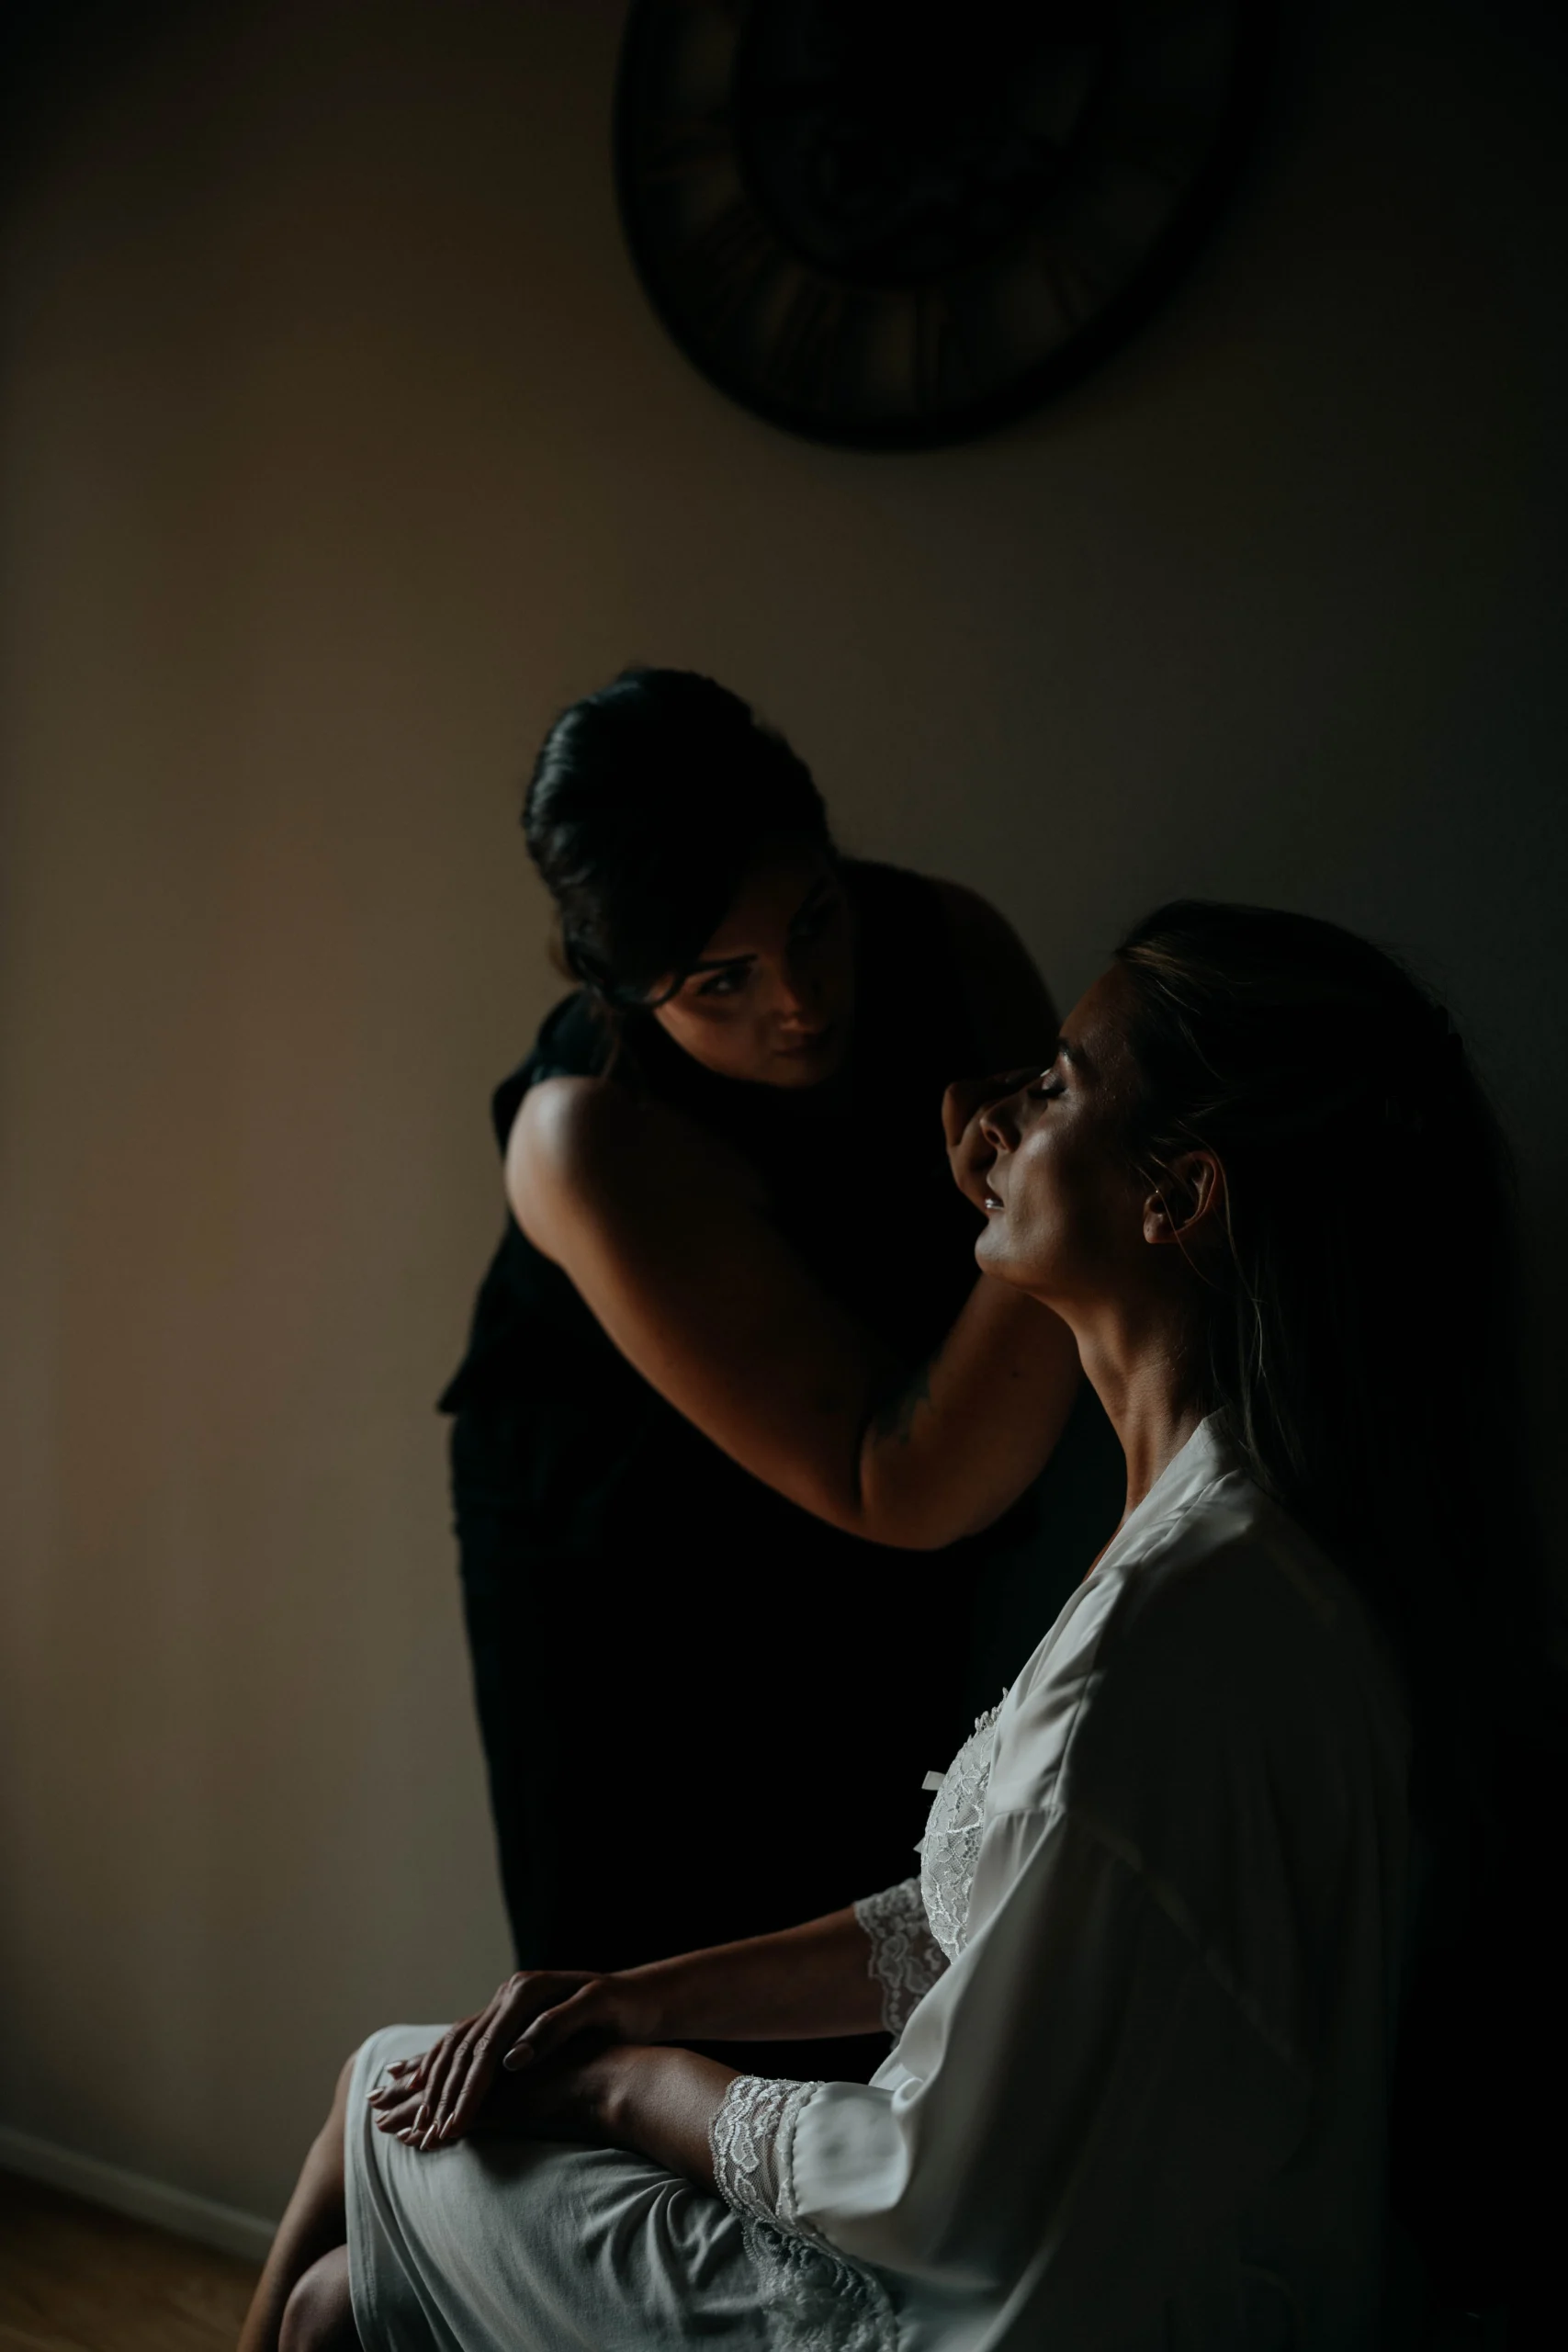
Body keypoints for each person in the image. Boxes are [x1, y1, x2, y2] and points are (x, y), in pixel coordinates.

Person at [241, 899, 1554, 2351]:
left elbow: (937, 2183)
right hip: (1092, 2258)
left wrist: (629, 2080)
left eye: (1054, 1084)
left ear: (1177, 1195)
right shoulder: (1234, 1539)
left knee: (372, 2127)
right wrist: (623, 1998)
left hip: (996, 2309)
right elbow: (972, 1919)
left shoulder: (1172, 1642)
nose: (983, 1115)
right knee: (342, 2287)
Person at [438, 669, 1122, 2044]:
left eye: (813, 917)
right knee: (657, 2009)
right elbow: (900, 1483)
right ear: (622, 985)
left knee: (895, 1961)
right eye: (720, 981)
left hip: (895, 1515)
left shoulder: (946, 941)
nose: (803, 998)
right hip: (623, 1575)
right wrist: (1058, 1188)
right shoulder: (586, 1137)